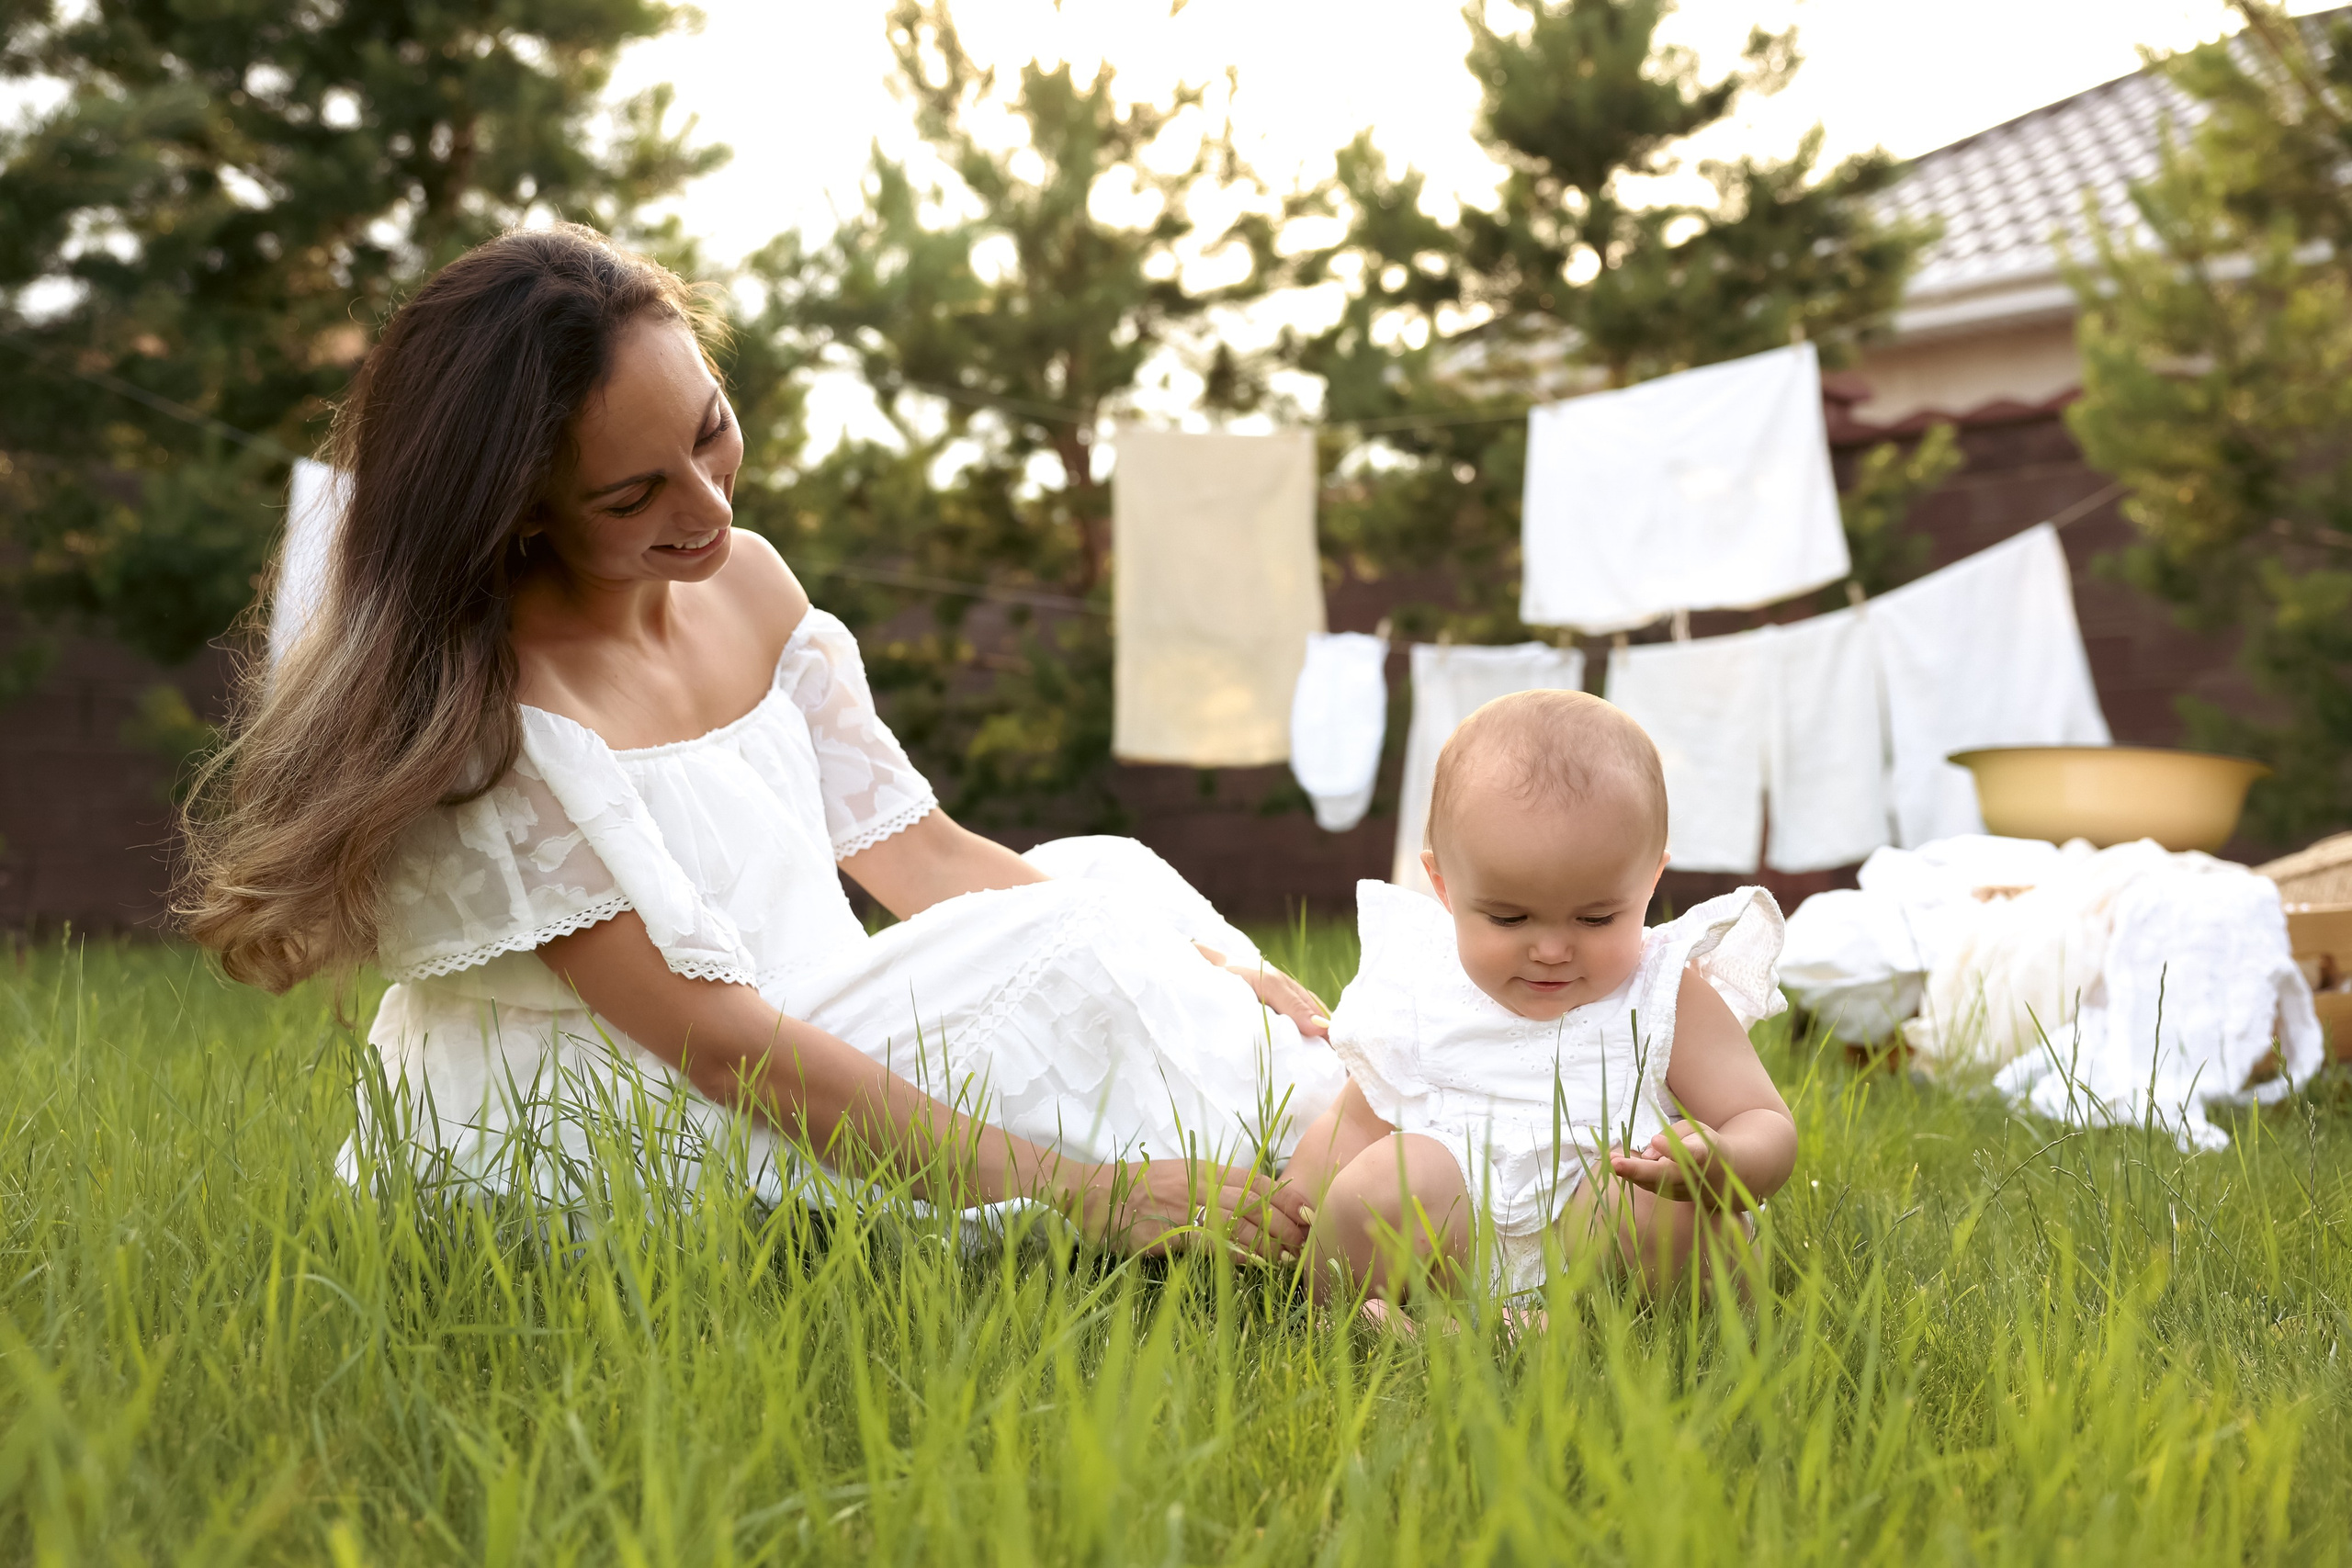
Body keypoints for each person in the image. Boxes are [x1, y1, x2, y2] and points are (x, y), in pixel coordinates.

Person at [178, 224, 1342, 1258]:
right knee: (1072, 944)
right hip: (618, 1118)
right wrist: (1078, 1191)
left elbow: (922, 853)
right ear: (518, 507)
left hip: (797, 1025)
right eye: (632, 498)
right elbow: (724, 1049)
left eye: (711, 433)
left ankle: (1354, 1144)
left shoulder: (748, 582)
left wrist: (1202, 965)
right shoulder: (496, 722)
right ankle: (1346, 1194)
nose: (708, 509)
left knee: (1110, 879)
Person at [1284, 690, 1798, 1301]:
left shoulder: (1664, 995)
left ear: (1650, 880)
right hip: (1459, 1250)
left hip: (1613, 1265)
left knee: (1654, 1208)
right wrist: (1296, 1197)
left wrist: (1728, 1156)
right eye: (1509, 918)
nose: (1552, 949)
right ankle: (1380, 1315)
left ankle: (1576, 1328)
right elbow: (1354, 1120)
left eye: (1596, 918)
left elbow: (1764, 1119)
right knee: (1387, 1178)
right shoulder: (1422, 988)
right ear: (1444, 887)